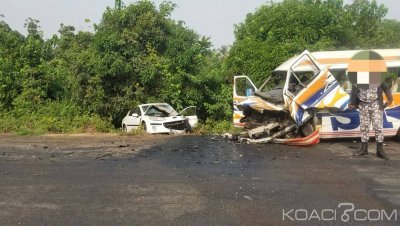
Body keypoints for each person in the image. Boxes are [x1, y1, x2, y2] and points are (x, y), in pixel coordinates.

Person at [347, 50, 393, 160]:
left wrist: (390, 99)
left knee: (378, 127)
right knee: (364, 127)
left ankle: (380, 151)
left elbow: (386, 88)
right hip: (363, 105)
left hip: (376, 104)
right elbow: (354, 91)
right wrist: (352, 103)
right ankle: (364, 149)